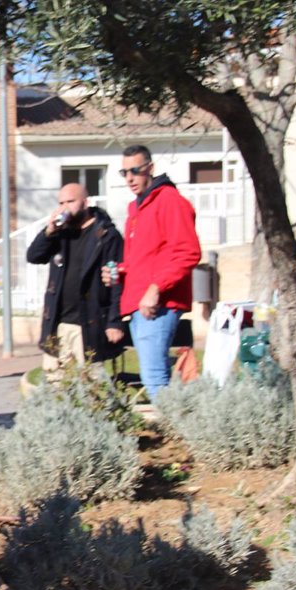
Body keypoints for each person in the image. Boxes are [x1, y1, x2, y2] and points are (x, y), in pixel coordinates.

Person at [105, 145, 201, 400]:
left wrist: (155, 289)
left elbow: (187, 252)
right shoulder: (137, 209)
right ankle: (182, 426)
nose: (129, 178)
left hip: (158, 305)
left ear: (150, 168)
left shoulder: (169, 201)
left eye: (135, 171)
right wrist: (120, 271)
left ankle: (180, 432)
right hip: (139, 303)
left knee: (154, 376)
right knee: (154, 375)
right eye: (124, 172)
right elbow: (145, 258)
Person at [26, 182, 125, 375]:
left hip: (89, 323)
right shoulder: (60, 234)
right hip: (58, 323)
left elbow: (117, 282)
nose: (65, 207)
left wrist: (114, 321)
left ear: (85, 202)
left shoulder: (106, 235)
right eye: (61, 203)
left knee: (93, 389)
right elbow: (34, 256)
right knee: (55, 388)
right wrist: (49, 231)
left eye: (70, 201)